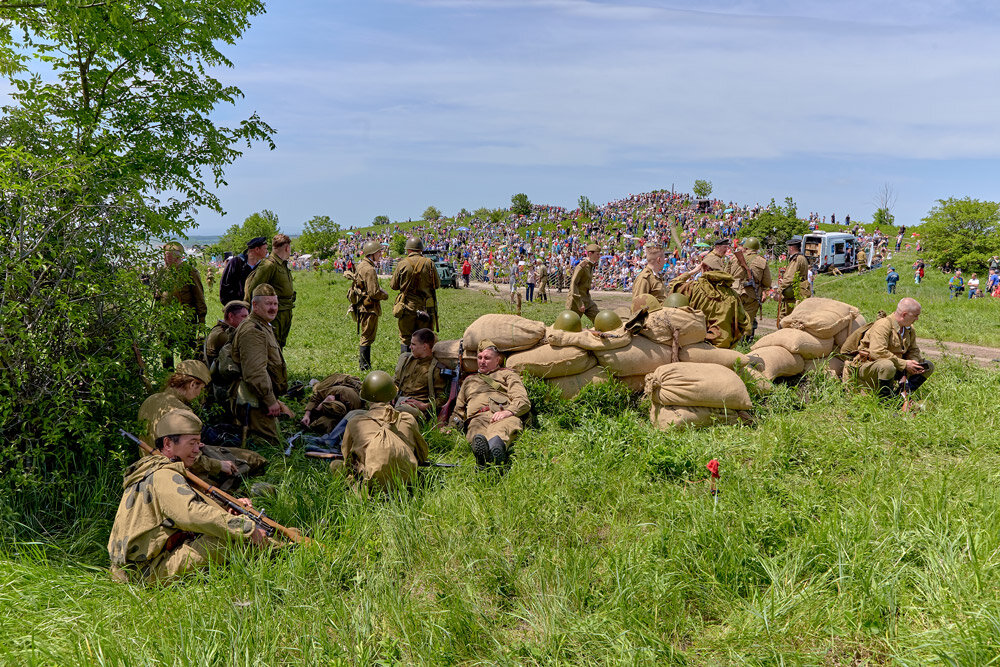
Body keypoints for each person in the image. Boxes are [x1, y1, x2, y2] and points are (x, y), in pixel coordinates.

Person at [108, 408, 268, 583]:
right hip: (143, 573)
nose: (197, 450)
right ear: (168, 444)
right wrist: (245, 529)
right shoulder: (164, 475)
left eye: (198, 443)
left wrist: (226, 509)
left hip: (132, 569)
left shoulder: (154, 469)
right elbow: (191, 514)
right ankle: (284, 549)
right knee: (233, 540)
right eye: (191, 443)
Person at [137, 360, 267, 489]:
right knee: (254, 460)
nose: (200, 394)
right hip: (178, 473)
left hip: (149, 469)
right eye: (201, 388)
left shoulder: (150, 400)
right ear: (193, 384)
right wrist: (220, 465)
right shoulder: (182, 412)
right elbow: (193, 461)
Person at [333, 371, 430, 492]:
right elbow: (422, 455)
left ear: (366, 397)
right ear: (392, 395)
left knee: (335, 466)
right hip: (407, 484)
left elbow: (348, 458)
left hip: (372, 486)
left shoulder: (355, 423)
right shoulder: (407, 419)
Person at [450, 339, 531, 468]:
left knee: (499, 431)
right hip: (477, 418)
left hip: (502, 415)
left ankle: (493, 453)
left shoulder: (507, 374)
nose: (482, 362)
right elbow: (458, 409)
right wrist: (450, 427)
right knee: (477, 436)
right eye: (479, 357)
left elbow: (522, 399)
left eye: (487, 358)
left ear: (497, 360)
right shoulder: (469, 380)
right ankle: (487, 455)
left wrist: (507, 412)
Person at [231, 284, 292, 447]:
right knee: (272, 446)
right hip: (255, 400)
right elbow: (254, 371)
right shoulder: (253, 330)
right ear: (255, 306)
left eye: (275, 304)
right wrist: (270, 400)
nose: (273, 308)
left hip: (261, 396)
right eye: (268, 304)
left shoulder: (263, 325)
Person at [843, 297, 934, 399]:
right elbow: (877, 352)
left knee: (928, 366)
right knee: (887, 365)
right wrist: (904, 364)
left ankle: (899, 398)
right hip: (869, 366)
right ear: (904, 315)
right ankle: (885, 401)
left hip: (895, 366)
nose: (917, 319)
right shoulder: (883, 325)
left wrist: (915, 363)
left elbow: (913, 350)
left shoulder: (909, 329)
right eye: (916, 316)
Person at [668, 268, 750, 350]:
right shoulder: (733, 295)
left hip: (696, 342)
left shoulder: (693, 287)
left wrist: (692, 271)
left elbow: (673, 284)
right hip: (723, 344)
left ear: (705, 269)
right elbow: (743, 322)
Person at [155, 241, 207, 368]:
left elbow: (199, 297)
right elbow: (157, 297)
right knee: (166, 351)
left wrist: (201, 321)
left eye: (168, 256)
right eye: (164, 256)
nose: (165, 259)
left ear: (177, 256)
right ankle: (168, 380)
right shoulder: (162, 272)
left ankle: (186, 380)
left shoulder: (190, 271)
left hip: (186, 320)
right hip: (166, 320)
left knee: (187, 352)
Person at [244, 234, 296, 348]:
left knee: (279, 345)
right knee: (271, 345)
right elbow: (253, 289)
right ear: (287, 248)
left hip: (285, 310)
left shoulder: (282, 264)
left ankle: (279, 365)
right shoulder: (269, 265)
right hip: (274, 313)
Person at [390, 236, 440, 353]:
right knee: (425, 338)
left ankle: (405, 365)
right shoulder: (429, 263)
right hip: (426, 308)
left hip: (407, 306)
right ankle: (424, 365)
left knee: (406, 338)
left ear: (408, 250)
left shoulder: (402, 264)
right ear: (421, 250)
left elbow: (393, 286)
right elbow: (436, 284)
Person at [392, 328, 452, 421]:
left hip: (417, 410)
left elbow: (442, 399)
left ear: (425, 346)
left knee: (401, 411)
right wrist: (390, 394)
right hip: (398, 400)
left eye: (413, 344)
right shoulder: (406, 360)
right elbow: (395, 382)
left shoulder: (436, 369)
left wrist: (425, 406)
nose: (410, 347)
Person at [351, 241, 388, 371]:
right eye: (378, 252)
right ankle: (364, 366)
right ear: (372, 254)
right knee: (367, 337)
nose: (380, 254)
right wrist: (384, 295)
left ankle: (365, 365)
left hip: (363, 305)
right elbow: (374, 293)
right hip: (369, 307)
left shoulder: (361, 265)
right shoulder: (370, 269)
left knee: (366, 335)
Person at [724, 237, 771, 338]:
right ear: (757, 249)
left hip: (734, 291)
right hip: (752, 293)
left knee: (733, 316)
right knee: (748, 318)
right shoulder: (762, 261)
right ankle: (744, 341)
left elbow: (725, 274)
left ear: (745, 247)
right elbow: (767, 281)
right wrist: (763, 290)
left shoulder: (734, 258)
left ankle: (731, 339)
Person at [219, 236, 267, 305]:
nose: (267, 251)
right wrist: (232, 307)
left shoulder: (263, 266)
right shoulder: (235, 263)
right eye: (265, 248)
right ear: (257, 249)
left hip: (258, 308)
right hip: (238, 308)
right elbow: (225, 286)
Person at [204, 300, 249, 369]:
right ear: (231, 316)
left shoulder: (222, 329)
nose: (247, 320)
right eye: (244, 316)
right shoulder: (222, 335)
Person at [776, 236, 810, 320]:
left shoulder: (797, 259)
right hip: (798, 293)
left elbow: (789, 277)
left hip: (794, 295)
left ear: (791, 247)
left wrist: (779, 290)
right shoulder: (801, 258)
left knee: (786, 319)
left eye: (788, 247)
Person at [567, 243, 601, 325]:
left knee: (600, 319)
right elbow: (573, 284)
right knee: (570, 326)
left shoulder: (590, 265)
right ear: (590, 253)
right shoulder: (582, 267)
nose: (599, 256)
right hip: (576, 301)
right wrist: (579, 302)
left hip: (587, 299)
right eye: (597, 254)